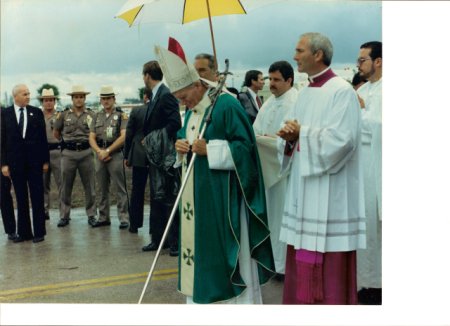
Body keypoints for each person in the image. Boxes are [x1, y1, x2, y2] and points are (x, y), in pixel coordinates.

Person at [155, 39, 275, 304]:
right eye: (178, 99)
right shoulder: (193, 110)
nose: (182, 103)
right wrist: (181, 146)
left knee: (223, 257)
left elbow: (246, 150)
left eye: (184, 96)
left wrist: (212, 150)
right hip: (196, 198)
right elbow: (187, 137)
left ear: (198, 85)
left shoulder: (226, 106)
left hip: (224, 199)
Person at [276, 32, 366, 304]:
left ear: (318, 54)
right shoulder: (305, 92)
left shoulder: (342, 91)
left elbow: (345, 139)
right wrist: (289, 137)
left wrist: (303, 134)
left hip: (331, 193)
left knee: (329, 256)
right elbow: (295, 134)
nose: (294, 56)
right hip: (304, 189)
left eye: (299, 50)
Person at [252, 60, 298, 280]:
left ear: (289, 80)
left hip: (284, 173)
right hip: (267, 168)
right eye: (270, 79)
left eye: (277, 80)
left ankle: (284, 267)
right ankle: (272, 263)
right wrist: (262, 139)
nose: (271, 84)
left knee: (282, 217)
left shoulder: (295, 101)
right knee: (270, 217)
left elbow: (288, 140)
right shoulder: (269, 101)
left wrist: (271, 140)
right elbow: (256, 131)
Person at [139, 60, 181, 257]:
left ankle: (174, 242)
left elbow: (175, 122)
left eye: (143, 75)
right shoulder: (157, 95)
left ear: (147, 75)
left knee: (169, 198)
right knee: (157, 197)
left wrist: (154, 139)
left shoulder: (166, 96)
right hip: (156, 157)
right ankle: (158, 239)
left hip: (164, 157)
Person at [1, 84, 49, 243]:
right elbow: (2, 141)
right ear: (15, 96)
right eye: (24, 94)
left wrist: (45, 161)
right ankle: (24, 232)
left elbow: (43, 139)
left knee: (37, 197)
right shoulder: (5, 114)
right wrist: (4, 164)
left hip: (35, 163)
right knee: (21, 198)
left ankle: (39, 232)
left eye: (28, 93)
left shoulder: (36, 112)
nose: (28, 96)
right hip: (15, 164)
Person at [355, 41, 382, 305]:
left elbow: (382, 125)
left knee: (378, 228)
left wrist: (361, 111)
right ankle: (367, 281)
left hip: (379, 167)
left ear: (378, 61)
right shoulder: (365, 89)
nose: (358, 65)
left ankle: (379, 284)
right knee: (367, 228)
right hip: (364, 169)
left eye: (362, 60)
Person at [53, 85, 97, 227]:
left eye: (81, 97)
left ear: (85, 98)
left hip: (86, 152)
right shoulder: (64, 114)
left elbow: (94, 133)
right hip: (68, 154)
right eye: (76, 97)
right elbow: (56, 132)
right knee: (65, 185)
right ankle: (64, 215)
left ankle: (91, 215)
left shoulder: (91, 115)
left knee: (90, 186)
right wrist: (65, 143)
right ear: (72, 99)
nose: (79, 99)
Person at [89, 86, 130, 229]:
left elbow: (124, 136)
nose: (106, 101)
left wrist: (108, 151)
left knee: (120, 187)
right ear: (100, 100)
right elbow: (91, 137)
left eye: (109, 98)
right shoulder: (96, 116)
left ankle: (124, 217)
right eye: (104, 98)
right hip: (100, 154)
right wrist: (100, 151)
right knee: (101, 188)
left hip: (115, 154)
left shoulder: (121, 116)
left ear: (114, 99)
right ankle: (103, 217)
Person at [124, 93, 150, 234]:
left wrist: (127, 155)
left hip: (139, 154)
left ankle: (134, 224)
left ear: (144, 96)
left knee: (137, 191)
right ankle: (156, 226)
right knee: (157, 192)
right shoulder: (161, 109)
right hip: (156, 154)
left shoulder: (136, 111)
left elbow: (129, 134)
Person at [38, 88, 62, 220]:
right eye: (46, 100)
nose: (48, 103)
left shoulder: (60, 115)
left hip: (57, 151)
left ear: (54, 101)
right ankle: (44, 210)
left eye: (51, 100)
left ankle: (63, 212)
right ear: (42, 102)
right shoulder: (37, 115)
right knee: (43, 183)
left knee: (61, 183)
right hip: (42, 152)